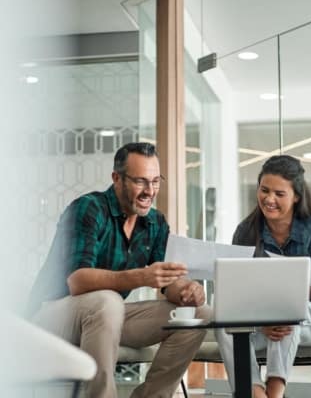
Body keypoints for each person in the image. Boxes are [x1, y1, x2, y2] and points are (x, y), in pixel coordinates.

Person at [26, 142, 210, 398]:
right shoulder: (88, 208)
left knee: (198, 312)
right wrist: (142, 276)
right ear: (116, 178)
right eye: (140, 182)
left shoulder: (155, 222)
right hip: (51, 316)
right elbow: (77, 281)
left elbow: (167, 283)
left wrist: (187, 290)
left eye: (156, 181)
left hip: (105, 317)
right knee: (107, 300)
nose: (150, 191)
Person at [215, 155, 311, 398]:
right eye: (264, 190)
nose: (269, 199)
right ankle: (254, 393)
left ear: (296, 196)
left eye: (279, 194)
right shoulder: (245, 231)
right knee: (224, 322)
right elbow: (238, 294)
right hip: (264, 320)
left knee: (283, 308)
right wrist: (260, 321)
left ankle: (275, 393)